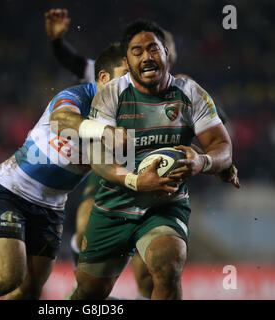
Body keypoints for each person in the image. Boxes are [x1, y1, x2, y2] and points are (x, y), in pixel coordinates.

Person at [0, 42, 175, 300]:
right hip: (10, 192)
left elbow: (113, 167)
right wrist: (105, 132)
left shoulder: (127, 118)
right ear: (104, 78)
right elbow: (62, 121)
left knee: (29, 290)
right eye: (125, 80)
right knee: (7, 277)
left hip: (51, 209)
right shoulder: (78, 96)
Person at [45, 9, 239, 300]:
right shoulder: (110, 92)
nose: (147, 56)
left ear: (167, 55)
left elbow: (221, 145)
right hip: (115, 199)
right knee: (88, 291)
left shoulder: (191, 92)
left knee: (166, 265)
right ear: (126, 60)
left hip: (165, 203)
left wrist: (205, 162)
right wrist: (137, 181)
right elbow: (99, 160)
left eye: (154, 49)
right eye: (138, 51)